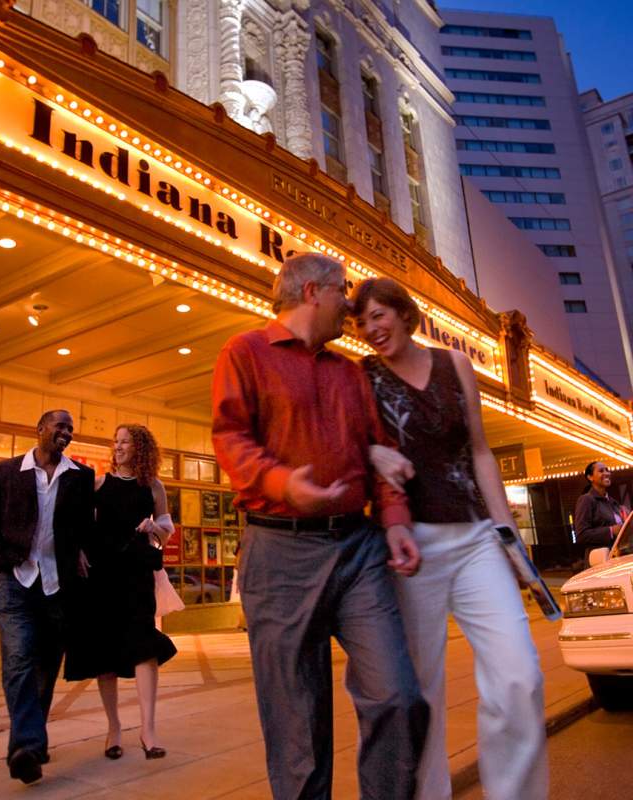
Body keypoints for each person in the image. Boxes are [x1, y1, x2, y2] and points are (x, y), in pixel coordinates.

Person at [212, 253, 429, 800]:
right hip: (278, 550)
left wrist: (396, 520)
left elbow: (378, 452)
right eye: (344, 292)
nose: (352, 305)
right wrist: (285, 483)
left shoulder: (349, 372)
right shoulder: (245, 352)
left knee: (398, 696)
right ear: (313, 291)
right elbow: (231, 438)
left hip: (358, 549)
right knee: (296, 729)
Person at [351, 278, 547, 800]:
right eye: (362, 322)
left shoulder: (455, 364)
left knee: (519, 677)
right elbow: (352, 445)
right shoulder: (363, 376)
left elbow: (480, 452)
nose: (372, 329)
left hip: (478, 537)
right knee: (423, 693)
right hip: (410, 546)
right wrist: (373, 455)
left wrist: (509, 537)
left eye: (378, 315)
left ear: (401, 311)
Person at [0, 409, 94, 784]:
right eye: (60, 426)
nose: (66, 432)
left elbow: (85, 525)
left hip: (58, 583)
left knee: (47, 666)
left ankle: (30, 744)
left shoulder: (80, 477)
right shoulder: (5, 473)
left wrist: (82, 548)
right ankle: (27, 747)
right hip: (16, 578)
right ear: (39, 429)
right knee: (18, 660)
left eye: (70, 428)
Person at [64, 424, 176, 760]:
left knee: (145, 646)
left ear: (140, 447)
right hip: (102, 576)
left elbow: (167, 528)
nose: (118, 447)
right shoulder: (99, 483)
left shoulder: (153, 486)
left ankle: (148, 731)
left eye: (125, 441)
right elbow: (79, 525)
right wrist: (79, 552)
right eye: (116, 442)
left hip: (137, 574)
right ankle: (113, 729)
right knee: (105, 652)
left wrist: (154, 527)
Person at [574, 461, 629, 563]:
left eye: (607, 470)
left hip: (617, 559)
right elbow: (581, 535)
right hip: (599, 563)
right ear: (590, 477)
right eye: (601, 471)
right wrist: (611, 531)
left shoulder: (613, 502)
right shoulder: (586, 500)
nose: (606, 473)